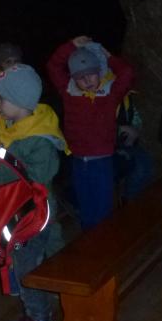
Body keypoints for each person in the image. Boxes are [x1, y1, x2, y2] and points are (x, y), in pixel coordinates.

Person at [0, 64, 69, 321]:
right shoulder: (4, 128)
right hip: (12, 208)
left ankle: (40, 319)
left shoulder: (39, 137)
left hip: (34, 213)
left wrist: (4, 166)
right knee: (38, 256)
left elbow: (40, 175)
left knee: (27, 262)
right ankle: (46, 295)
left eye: (0, 98)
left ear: (19, 101)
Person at [45, 35, 134, 230]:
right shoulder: (69, 92)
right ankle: (88, 237)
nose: (87, 80)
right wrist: (71, 45)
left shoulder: (110, 93)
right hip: (78, 159)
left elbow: (126, 72)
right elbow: (53, 66)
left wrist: (108, 57)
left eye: (91, 74)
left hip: (102, 160)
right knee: (85, 204)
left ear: (99, 71)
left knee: (103, 206)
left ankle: (103, 237)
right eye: (80, 77)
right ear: (73, 78)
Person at [114, 91, 153, 202]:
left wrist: (133, 130)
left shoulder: (125, 97)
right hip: (100, 149)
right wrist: (119, 130)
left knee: (145, 162)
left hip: (124, 144)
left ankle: (129, 200)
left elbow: (136, 121)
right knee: (140, 166)